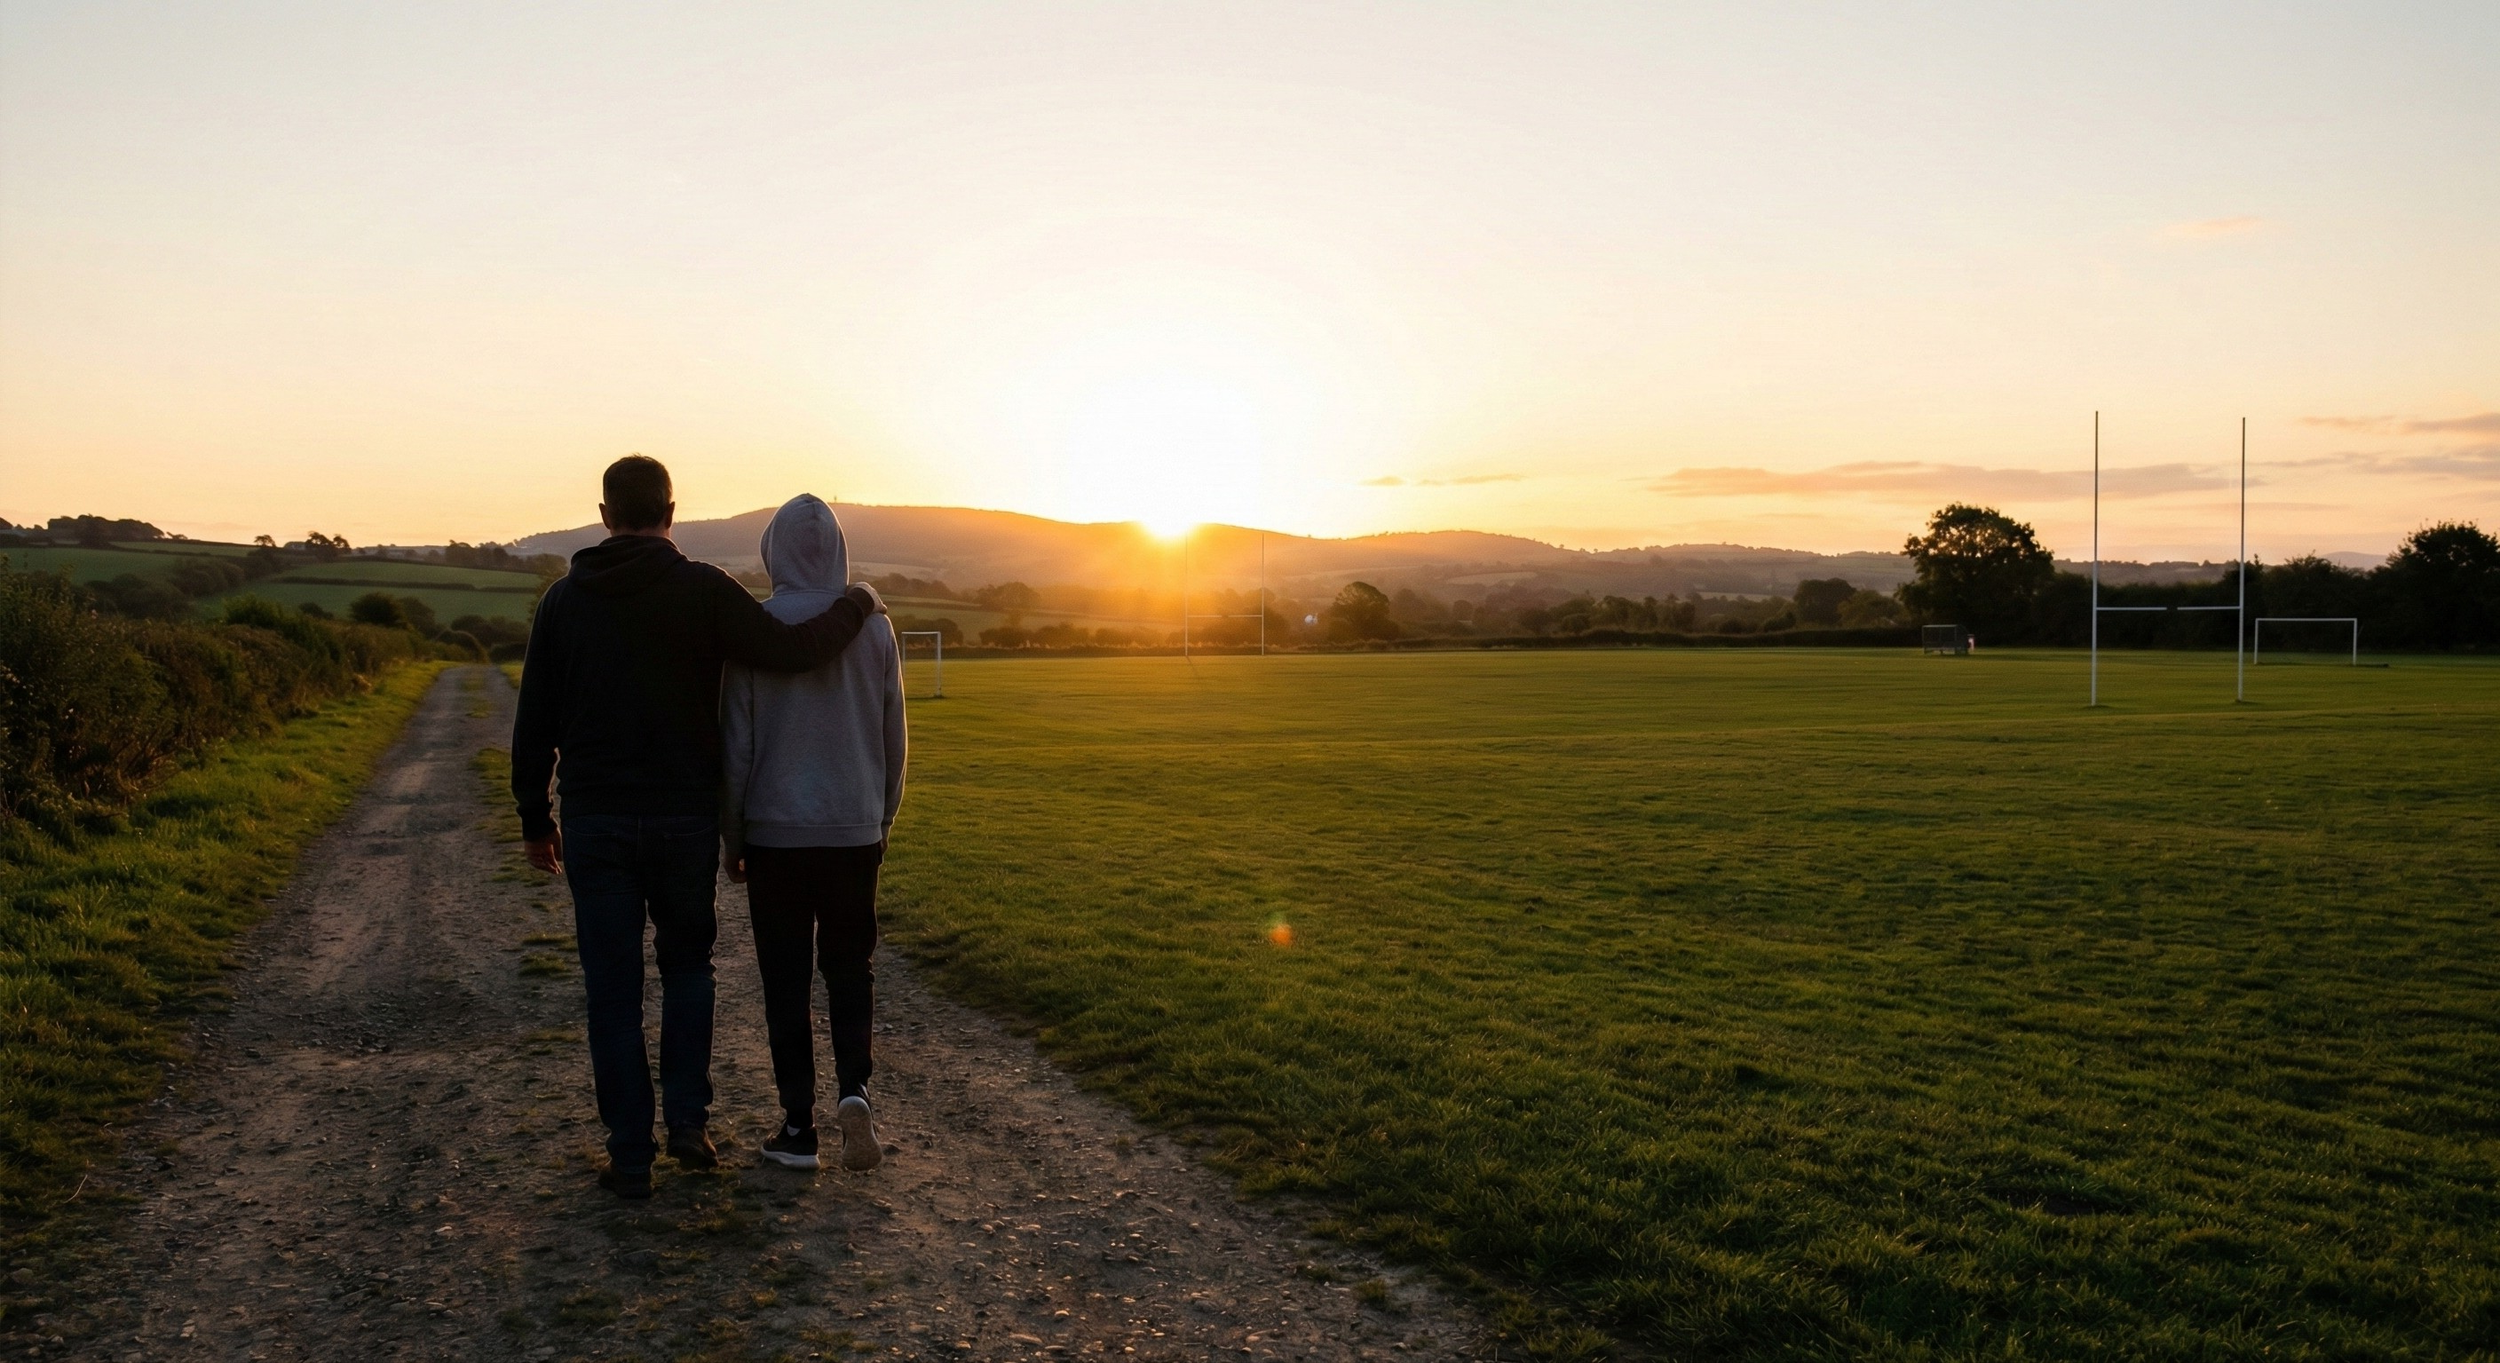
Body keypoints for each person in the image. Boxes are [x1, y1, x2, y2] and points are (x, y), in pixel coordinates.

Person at [512, 456, 886, 1199]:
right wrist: (858, 602)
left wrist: (535, 817)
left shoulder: (562, 601)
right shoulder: (704, 591)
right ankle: (687, 1121)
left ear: (605, 511)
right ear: (672, 512)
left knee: (612, 989)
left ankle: (629, 1152)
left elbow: (535, 722)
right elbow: (791, 651)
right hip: (683, 818)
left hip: (596, 818)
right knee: (687, 970)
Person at [719, 494, 906, 1173]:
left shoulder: (755, 629)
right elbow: (895, 738)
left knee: (785, 978)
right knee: (851, 967)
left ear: (773, 550)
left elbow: (735, 745)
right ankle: (854, 1088)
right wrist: (880, 818)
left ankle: (798, 1125)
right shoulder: (876, 631)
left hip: (775, 833)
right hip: (853, 828)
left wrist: (732, 835)